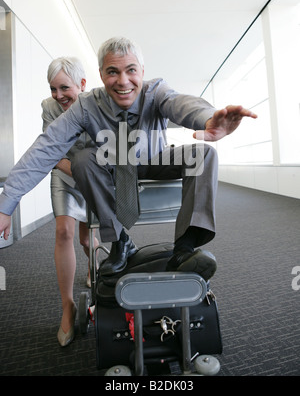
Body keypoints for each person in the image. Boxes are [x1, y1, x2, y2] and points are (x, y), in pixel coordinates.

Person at [0, 37, 257, 290]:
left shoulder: (155, 90)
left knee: (204, 155)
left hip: (153, 159)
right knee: (82, 159)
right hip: (111, 165)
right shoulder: (87, 105)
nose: (123, 81)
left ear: (141, 71)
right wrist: (7, 203)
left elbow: (181, 103)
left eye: (130, 70)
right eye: (113, 72)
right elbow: (46, 147)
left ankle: (185, 249)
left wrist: (207, 118)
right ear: (101, 74)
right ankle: (121, 241)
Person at [43, 57, 98, 347]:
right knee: (63, 231)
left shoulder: (99, 104)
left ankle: (92, 268)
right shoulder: (49, 108)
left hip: (93, 177)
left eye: (64, 87)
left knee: (88, 241)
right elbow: (53, 151)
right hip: (64, 173)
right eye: (53, 88)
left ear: (82, 85)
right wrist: (78, 172)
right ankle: (68, 307)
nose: (58, 95)